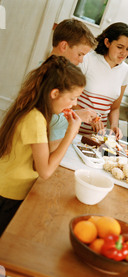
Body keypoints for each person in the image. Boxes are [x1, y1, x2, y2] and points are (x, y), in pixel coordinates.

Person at [0, 55, 85, 236]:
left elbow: (41, 150)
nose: (75, 104)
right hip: (8, 193)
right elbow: (45, 171)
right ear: (54, 94)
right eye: (72, 98)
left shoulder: (35, 109)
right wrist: (71, 133)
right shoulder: (36, 119)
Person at [77, 22, 128, 139]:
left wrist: (114, 126)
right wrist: (90, 117)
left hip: (95, 137)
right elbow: (68, 100)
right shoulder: (87, 59)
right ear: (107, 42)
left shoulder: (126, 71)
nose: (124, 53)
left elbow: (115, 108)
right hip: (73, 130)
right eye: (119, 47)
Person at [49, 18, 99, 151]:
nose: (81, 60)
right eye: (80, 54)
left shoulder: (60, 74)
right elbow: (45, 119)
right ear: (64, 46)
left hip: (55, 146)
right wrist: (77, 116)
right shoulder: (48, 76)